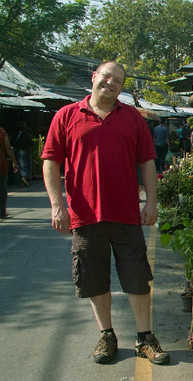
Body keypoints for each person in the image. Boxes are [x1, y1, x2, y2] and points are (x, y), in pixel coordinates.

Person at [42, 60, 170, 365]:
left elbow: (148, 162)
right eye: (107, 76)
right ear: (94, 78)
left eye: (118, 81)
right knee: (93, 278)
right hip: (85, 216)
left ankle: (144, 338)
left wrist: (151, 202)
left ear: (122, 88)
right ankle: (107, 335)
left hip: (126, 213)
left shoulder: (133, 119)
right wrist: (57, 204)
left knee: (137, 276)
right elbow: (50, 160)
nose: (111, 83)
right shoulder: (67, 116)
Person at [0, 126, 20, 219]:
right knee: (2, 189)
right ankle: (2, 212)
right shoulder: (1, 132)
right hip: (1, 164)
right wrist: (14, 162)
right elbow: (8, 148)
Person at [13, 121, 32, 187]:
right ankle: (24, 177)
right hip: (25, 150)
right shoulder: (26, 134)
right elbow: (30, 143)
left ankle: (20, 177)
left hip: (17, 150)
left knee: (19, 164)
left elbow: (12, 142)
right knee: (25, 164)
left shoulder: (15, 134)